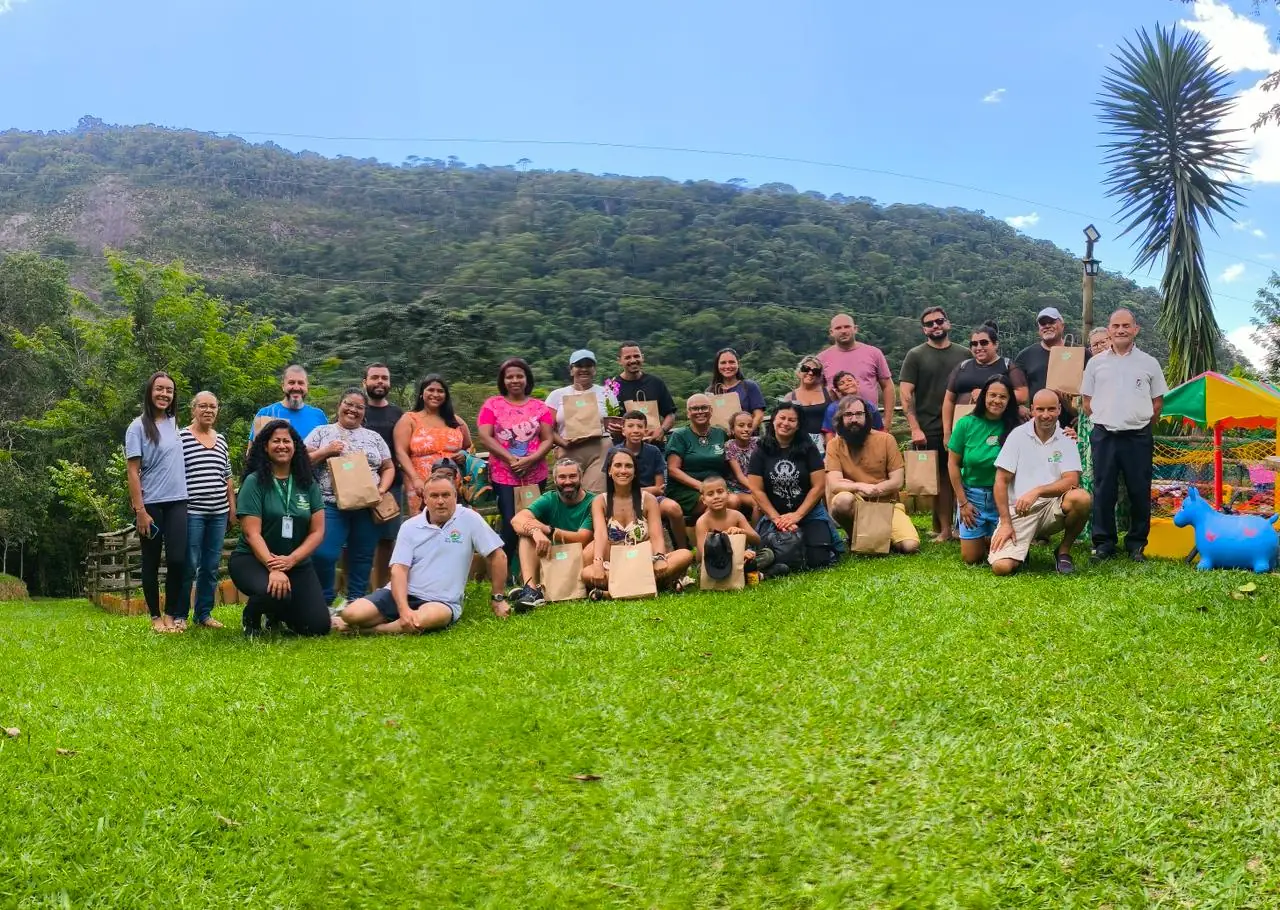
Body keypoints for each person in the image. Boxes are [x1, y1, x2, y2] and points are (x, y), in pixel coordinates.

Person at [333, 469, 509, 634]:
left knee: (424, 620)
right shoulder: (410, 526)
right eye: (434, 496)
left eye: (446, 495)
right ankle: (393, 621)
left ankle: (370, 630)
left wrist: (498, 598)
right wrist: (403, 608)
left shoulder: (470, 519)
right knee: (351, 614)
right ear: (425, 498)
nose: (440, 501)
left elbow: (498, 556)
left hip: (441, 601)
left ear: (455, 496)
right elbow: (399, 570)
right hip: (401, 593)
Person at [1081, 308, 1168, 562]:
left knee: (1139, 490)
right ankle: (1104, 543)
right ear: (1109, 330)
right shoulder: (1095, 363)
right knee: (1103, 490)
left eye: (1126, 326)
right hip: (1104, 436)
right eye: (1116, 326)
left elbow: (1157, 403)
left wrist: (1136, 422)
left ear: (1135, 329)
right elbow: (1087, 402)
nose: (1121, 330)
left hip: (1138, 437)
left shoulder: (1149, 363)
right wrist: (1107, 418)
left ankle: (1136, 544)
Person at [228, 420, 329, 636]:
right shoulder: (254, 482)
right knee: (274, 593)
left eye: (287, 441)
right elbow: (251, 533)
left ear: (295, 446)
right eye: (276, 441)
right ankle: (252, 615)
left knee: (317, 627)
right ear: (265, 447)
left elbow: (317, 531)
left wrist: (292, 559)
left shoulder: (307, 482)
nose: (282, 445)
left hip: (295, 562)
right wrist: (273, 567)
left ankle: (276, 614)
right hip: (253, 560)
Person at [304, 388, 395, 607]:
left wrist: (382, 489)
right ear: (339, 406)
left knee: (362, 555)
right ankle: (325, 600)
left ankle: (356, 600)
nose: (353, 409)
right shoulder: (321, 432)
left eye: (359, 407)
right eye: (348, 404)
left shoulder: (374, 437)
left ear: (364, 412)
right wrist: (326, 451)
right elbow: (302, 462)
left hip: (367, 505)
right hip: (330, 504)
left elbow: (388, 467)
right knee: (323, 553)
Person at [988, 390, 1093, 575]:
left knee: (1082, 498)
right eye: (1040, 409)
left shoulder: (1067, 438)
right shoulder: (1017, 436)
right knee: (1001, 568)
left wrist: (1037, 491)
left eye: (1051, 409)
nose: (1046, 415)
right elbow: (1001, 481)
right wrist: (1005, 523)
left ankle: (1063, 551)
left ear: (1059, 409)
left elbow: (1072, 480)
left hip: (1052, 508)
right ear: (1032, 410)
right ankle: (1021, 551)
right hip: (1020, 510)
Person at [581, 447, 694, 597]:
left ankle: (612, 592)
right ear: (609, 470)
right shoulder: (600, 501)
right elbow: (600, 534)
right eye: (618, 465)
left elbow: (656, 535)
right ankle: (652, 585)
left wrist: (660, 557)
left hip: (645, 561)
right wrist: (598, 563)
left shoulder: (648, 499)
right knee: (586, 573)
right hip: (615, 564)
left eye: (628, 466)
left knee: (685, 555)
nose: (623, 470)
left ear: (635, 472)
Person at [125, 371, 189, 634]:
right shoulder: (137, 427)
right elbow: (132, 471)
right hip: (151, 504)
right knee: (150, 561)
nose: (164, 394)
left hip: (178, 501)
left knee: (178, 560)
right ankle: (155, 617)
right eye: (159, 389)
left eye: (169, 390)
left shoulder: (175, 424)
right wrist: (140, 510)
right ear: (150, 392)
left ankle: (171, 614)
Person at [476, 357, 556, 567]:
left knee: (535, 520)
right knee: (511, 521)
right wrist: (511, 459)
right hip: (504, 475)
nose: (514, 380)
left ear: (527, 379)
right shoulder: (492, 405)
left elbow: (548, 439)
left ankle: (536, 569)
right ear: (503, 380)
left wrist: (530, 460)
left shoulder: (540, 407)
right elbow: (485, 436)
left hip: (535, 474)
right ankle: (506, 569)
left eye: (519, 376)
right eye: (509, 377)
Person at [900, 306, 970, 543]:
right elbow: (906, 394)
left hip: (960, 424)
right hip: (929, 425)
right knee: (939, 479)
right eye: (929, 324)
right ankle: (945, 529)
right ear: (924, 330)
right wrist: (914, 427)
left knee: (957, 476)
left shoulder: (964, 354)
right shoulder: (915, 355)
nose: (935, 326)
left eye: (939, 321)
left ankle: (957, 526)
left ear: (948, 323)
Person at [747, 402, 841, 571]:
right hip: (776, 516)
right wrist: (778, 519)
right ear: (773, 420)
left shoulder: (809, 448)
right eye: (782, 418)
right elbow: (756, 489)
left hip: (809, 513)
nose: (785, 423)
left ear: (798, 425)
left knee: (819, 561)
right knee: (777, 554)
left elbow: (819, 486)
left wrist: (797, 515)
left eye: (792, 420)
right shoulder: (760, 450)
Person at [825, 396, 921, 554]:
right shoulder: (833, 445)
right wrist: (861, 487)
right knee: (842, 500)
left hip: (888, 505)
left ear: (867, 416)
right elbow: (835, 484)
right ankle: (854, 537)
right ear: (840, 418)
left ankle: (879, 536)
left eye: (859, 414)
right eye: (848, 414)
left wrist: (874, 489)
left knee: (910, 546)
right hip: (856, 503)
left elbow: (897, 481)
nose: (854, 419)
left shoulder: (886, 440)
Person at [946, 376, 1020, 565]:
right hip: (973, 497)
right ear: (984, 396)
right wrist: (963, 503)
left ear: (1009, 400)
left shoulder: (1016, 427)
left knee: (1003, 555)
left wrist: (1067, 434)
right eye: (992, 395)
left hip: (1003, 498)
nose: (997, 400)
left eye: (1003, 397)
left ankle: (995, 536)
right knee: (971, 558)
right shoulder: (965, 424)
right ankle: (985, 537)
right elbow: (953, 464)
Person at [179, 391, 236, 630]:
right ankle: (180, 615)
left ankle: (203, 614)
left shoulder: (221, 439)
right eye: (203, 406)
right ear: (193, 409)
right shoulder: (181, 437)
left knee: (211, 566)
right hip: (192, 512)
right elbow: (174, 474)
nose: (208, 410)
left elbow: (228, 477)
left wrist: (232, 508)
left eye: (213, 406)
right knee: (188, 564)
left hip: (218, 513)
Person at [508, 458, 596, 610]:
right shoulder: (549, 498)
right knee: (526, 536)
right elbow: (516, 520)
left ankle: (544, 587)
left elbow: (583, 538)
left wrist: (549, 530)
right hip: (552, 557)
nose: (567, 481)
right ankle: (531, 590)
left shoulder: (593, 501)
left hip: (580, 560)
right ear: (555, 480)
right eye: (562, 477)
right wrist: (535, 531)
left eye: (572, 476)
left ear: (581, 477)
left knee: (593, 546)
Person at [395, 375, 473, 515]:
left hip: (454, 483)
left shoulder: (456, 421)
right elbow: (400, 452)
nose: (435, 394)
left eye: (440, 391)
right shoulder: (410, 419)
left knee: (456, 522)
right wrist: (415, 479)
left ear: (446, 395)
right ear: (421, 393)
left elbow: (469, 446)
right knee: (425, 522)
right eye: (431, 390)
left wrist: (464, 455)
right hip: (421, 483)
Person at [666, 394, 751, 520]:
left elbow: (735, 455)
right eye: (695, 408)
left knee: (733, 500)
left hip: (718, 486)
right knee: (720, 502)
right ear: (688, 413)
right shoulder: (679, 436)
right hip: (687, 488)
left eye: (704, 407)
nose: (700, 411)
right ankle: (707, 531)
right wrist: (702, 486)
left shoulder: (720, 434)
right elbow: (673, 470)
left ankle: (717, 532)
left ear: (711, 411)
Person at [943, 321, 1029, 442]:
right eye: (974, 344)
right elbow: (949, 400)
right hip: (963, 428)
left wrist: (985, 394)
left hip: (996, 430)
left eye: (984, 343)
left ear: (995, 344)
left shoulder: (1007, 366)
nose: (979, 347)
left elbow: (1022, 395)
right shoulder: (962, 366)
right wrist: (947, 432)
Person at [545, 349, 618, 493]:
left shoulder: (606, 393)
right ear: (571, 370)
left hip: (600, 450)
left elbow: (613, 423)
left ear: (594, 369)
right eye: (579, 365)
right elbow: (547, 428)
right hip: (568, 448)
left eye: (588, 365)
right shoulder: (556, 395)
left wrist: (616, 430)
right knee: (568, 492)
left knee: (595, 494)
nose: (584, 369)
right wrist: (563, 443)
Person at [362, 363, 404, 589]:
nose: (380, 382)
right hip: (357, 486)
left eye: (384, 378)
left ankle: (381, 590)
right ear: (365, 382)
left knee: (387, 539)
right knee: (357, 540)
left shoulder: (398, 414)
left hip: (392, 486)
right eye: (375, 377)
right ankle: (355, 592)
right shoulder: (357, 409)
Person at [618, 410, 688, 548]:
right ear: (623, 431)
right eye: (630, 426)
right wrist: (648, 489)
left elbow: (659, 488)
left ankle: (683, 547)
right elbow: (617, 489)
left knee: (673, 508)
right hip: (624, 500)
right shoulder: (615, 453)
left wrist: (636, 490)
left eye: (640, 426)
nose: (635, 430)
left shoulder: (653, 451)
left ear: (645, 431)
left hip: (652, 499)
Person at [816, 312, 895, 413]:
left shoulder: (874, 353)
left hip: (870, 417)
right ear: (831, 332)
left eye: (847, 327)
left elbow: (887, 386)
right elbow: (816, 391)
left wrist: (887, 420)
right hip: (836, 418)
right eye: (838, 328)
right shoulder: (821, 359)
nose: (843, 331)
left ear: (855, 329)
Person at [695, 475, 765, 584]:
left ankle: (742, 573)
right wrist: (738, 556)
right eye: (710, 494)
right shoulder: (703, 522)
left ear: (728, 494)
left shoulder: (737, 516)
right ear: (703, 500)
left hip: (742, 559)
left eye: (720, 492)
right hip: (713, 563)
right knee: (703, 569)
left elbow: (757, 540)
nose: (716, 497)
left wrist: (742, 531)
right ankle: (751, 574)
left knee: (767, 554)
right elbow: (704, 552)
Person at [613, 342, 677, 445]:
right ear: (619, 361)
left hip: (655, 444)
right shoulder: (613, 387)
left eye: (636, 356)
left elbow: (670, 414)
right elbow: (609, 420)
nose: (633, 360)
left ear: (642, 357)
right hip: (625, 448)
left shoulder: (656, 383)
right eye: (628, 357)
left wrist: (662, 430)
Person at [1014, 304, 1083, 398]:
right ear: (1039, 329)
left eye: (1052, 322)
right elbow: (1016, 389)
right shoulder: (1025, 356)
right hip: (1037, 407)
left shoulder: (1079, 352)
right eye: (1043, 323)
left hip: (1073, 407)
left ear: (1062, 325)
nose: (1047, 326)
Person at [249, 365, 327, 442]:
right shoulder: (266, 413)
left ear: (307, 386)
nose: (296, 387)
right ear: (283, 386)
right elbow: (253, 449)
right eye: (291, 383)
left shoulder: (319, 415)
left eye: (301, 383)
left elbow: (326, 446)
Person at [707, 348, 767, 431]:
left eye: (731, 362)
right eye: (723, 363)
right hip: (720, 437)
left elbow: (759, 415)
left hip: (747, 437)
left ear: (738, 364)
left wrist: (746, 432)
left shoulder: (749, 386)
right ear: (717, 366)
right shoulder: (711, 391)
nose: (727, 366)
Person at [784, 355, 835, 451]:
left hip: (828, 444)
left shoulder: (829, 393)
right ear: (799, 372)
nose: (810, 373)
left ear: (819, 375)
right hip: (800, 445)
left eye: (815, 371)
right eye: (806, 369)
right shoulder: (790, 397)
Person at [821, 371, 884, 438]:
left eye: (849, 380)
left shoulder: (869, 406)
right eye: (841, 383)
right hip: (841, 442)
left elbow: (880, 431)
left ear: (857, 383)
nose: (847, 384)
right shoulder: (832, 408)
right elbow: (829, 433)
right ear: (837, 390)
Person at [724, 411, 760, 504]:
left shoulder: (758, 442)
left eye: (749, 426)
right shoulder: (730, 446)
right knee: (758, 502)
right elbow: (740, 476)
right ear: (732, 429)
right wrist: (758, 490)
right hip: (738, 488)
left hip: (757, 484)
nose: (746, 429)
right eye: (741, 425)